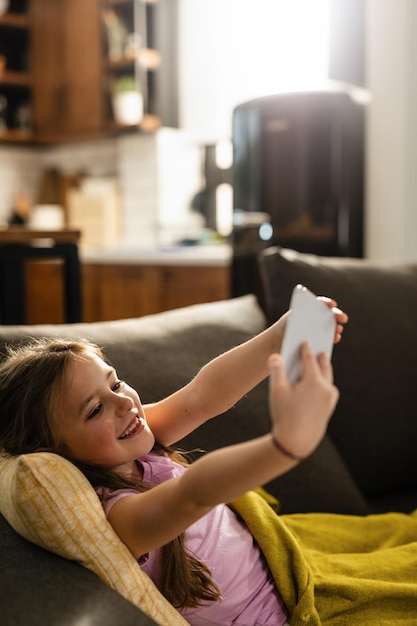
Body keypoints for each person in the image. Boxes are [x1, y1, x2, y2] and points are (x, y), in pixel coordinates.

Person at [0, 298, 346, 626]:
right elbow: (193, 493)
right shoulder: (121, 515)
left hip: (279, 569)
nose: (123, 404)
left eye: (116, 383)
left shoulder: (131, 441)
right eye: (95, 410)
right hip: (269, 616)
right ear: (56, 453)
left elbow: (202, 395)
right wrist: (283, 445)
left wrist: (280, 336)